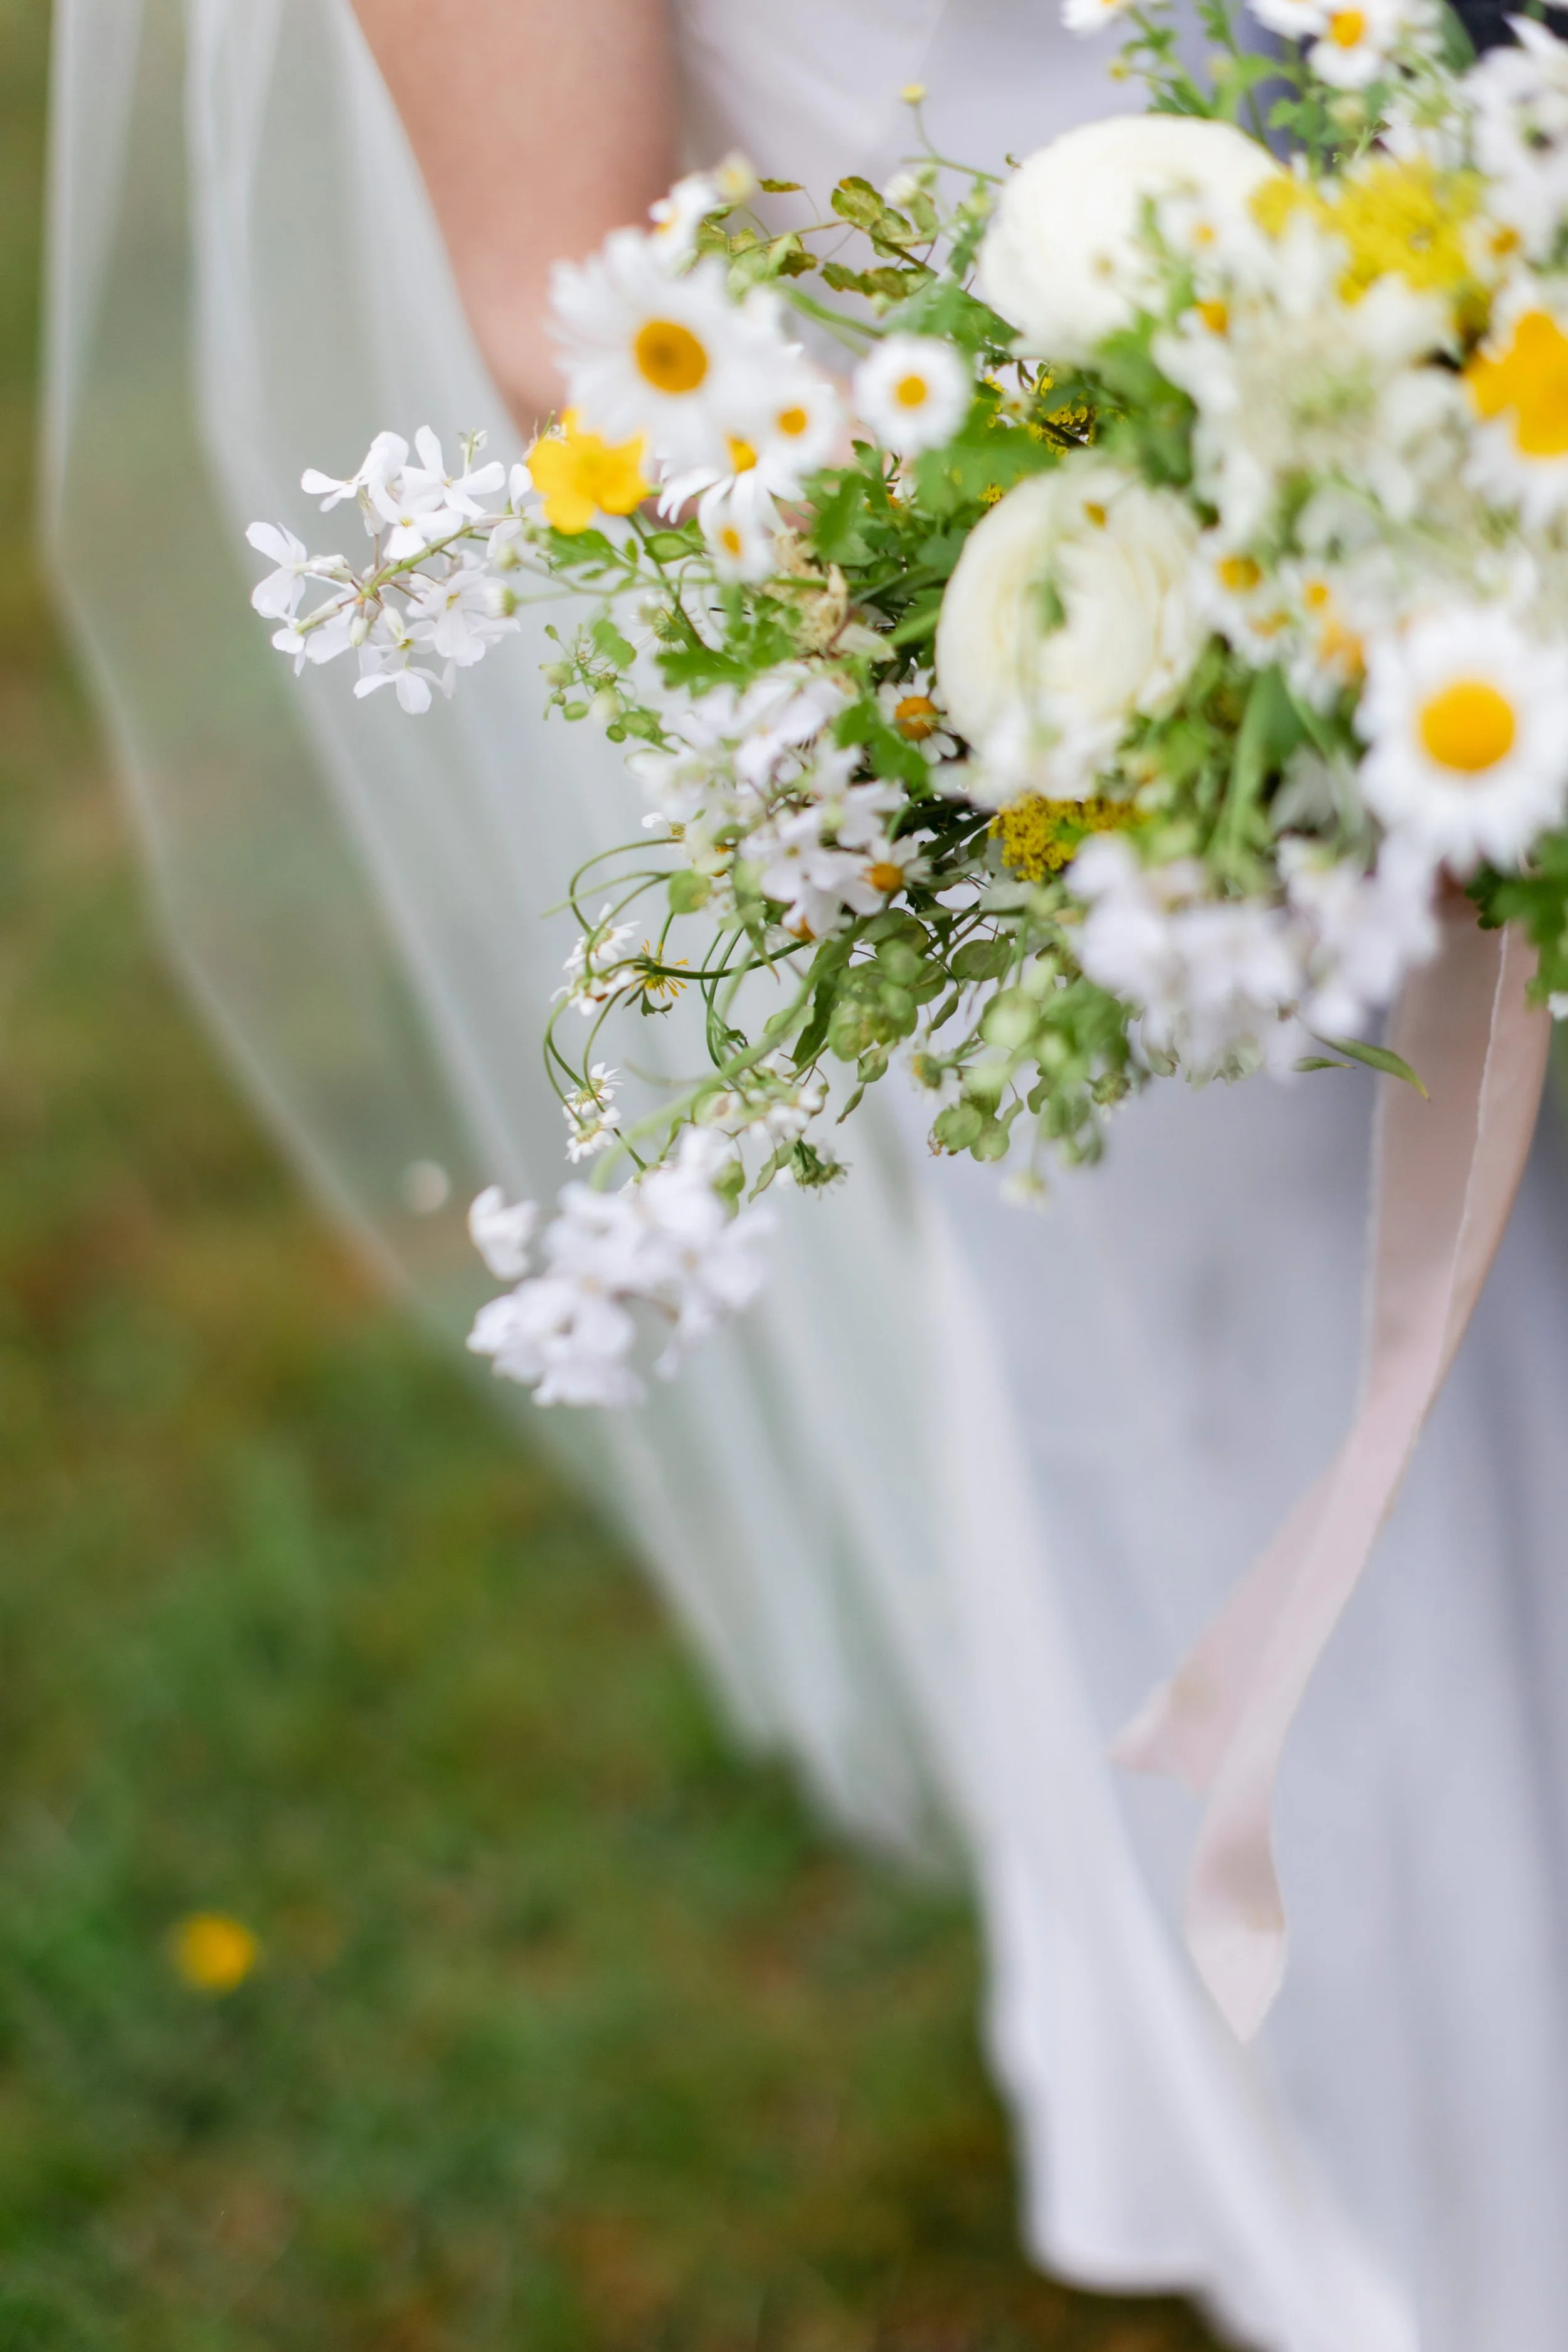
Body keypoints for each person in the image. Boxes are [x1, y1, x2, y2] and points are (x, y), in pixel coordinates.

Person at [43, 3, 1568, 2346]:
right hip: (1068, 594)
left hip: (1451, 263)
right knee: (1319, 1434)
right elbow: (581, 318)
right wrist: (1250, 681)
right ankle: (1473, 2222)